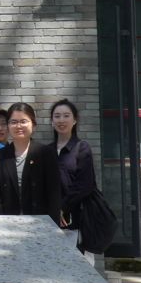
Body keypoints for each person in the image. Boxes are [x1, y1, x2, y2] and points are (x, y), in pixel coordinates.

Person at [0, 102, 64, 226]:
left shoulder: (46, 153)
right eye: (13, 122)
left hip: (40, 223)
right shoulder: (0, 156)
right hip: (7, 223)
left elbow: (54, 194)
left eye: (23, 121)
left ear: (33, 125)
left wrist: (52, 226)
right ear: (8, 126)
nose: (18, 126)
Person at [51, 98, 101, 247]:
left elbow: (85, 184)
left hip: (79, 217)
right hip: (52, 219)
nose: (61, 120)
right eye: (57, 116)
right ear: (52, 121)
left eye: (66, 116)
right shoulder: (46, 151)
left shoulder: (82, 148)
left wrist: (62, 207)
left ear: (74, 120)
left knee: (79, 258)